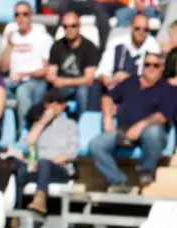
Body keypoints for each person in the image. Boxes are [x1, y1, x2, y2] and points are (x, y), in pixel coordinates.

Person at [91, 50, 176, 192]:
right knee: (96, 144)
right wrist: (107, 117)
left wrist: (140, 126)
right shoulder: (131, 82)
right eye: (147, 64)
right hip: (124, 131)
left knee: (153, 131)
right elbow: (107, 97)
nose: (150, 68)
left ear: (162, 69)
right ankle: (118, 182)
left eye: (156, 65)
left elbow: (162, 116)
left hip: (152, 134)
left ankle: (145, 171)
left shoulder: (168, 89)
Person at [24, 89, 80, 215]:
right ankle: (14, 213)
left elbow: (72, 153)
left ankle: (40, 202)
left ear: (64, 105)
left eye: (58, 102)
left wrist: (49, 162)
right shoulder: (38, 124)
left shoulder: (70, 125)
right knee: (18, 170)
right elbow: (28, 144)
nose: (54, 105)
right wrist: (43, 121)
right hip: (38, 167)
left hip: (59, 168)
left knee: (44, 163)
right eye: (50, 102)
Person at [1, 3, 52, 127]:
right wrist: (9, 45)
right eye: (17, 14)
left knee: (22, 92)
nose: (21, 18)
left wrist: (26, 74)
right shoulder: (11, 37)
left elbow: (47, 69)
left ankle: (25, 132)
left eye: (25, 14)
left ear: (31, 16)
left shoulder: (42, 38)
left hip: (35, 80)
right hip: (12, 81)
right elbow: (3, 68)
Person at [48, 11, 100, 115]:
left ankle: (82, 123)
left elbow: (88, 79)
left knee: (82, 92)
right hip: (62, 86)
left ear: (79, 27)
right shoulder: (57, 46)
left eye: (73, 26)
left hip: (80, 86)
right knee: (47, 92)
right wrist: (57, 80)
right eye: (66, 26)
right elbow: (51, 74)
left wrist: (64, 81)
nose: (69, 29)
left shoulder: (90, 47)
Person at [96, 11, 160, 95]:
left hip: (141, 92)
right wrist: (111, 80)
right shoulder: (116, 43)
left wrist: (128, 78)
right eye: (137, 28)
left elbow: (152, 78)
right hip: (115, 88)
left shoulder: (153, 47)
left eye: (145, 30)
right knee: (95, 87)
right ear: (131, 27)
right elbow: (102, 72)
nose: (141, 32)